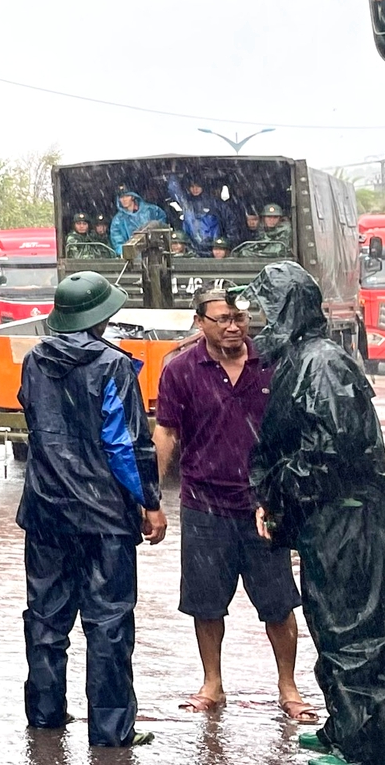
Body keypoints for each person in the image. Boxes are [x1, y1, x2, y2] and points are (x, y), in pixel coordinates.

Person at [248, 262, 385, 765]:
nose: (256, 321)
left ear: (287, 310)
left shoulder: (322, 364)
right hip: (326, 521)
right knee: (330, 622)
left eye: (264, 310)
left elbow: (328, 454)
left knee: (353, 632)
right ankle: (344, 729)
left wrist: (276, 493)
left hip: (347, 521)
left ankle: (363, 750)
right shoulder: (302, 360)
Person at [17, 271, 166, 750]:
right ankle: (110, 732)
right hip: (103, 517)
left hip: (45, 511)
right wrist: (150, 502)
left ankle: (45, 716)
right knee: (109, 623)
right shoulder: (113, 366)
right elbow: (124, 444)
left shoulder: (34, 361)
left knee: (45, 618)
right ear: (101, 317)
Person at [153, 285, 313, 723]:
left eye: (239, 318)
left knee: (279, 604)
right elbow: (166, 432)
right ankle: (213, 683)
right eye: (221, 318)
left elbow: (295, 434)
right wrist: (150, 496)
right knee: (206, 605)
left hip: (263, 508)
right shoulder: (181, 370)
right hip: (203, 506)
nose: (231, 326)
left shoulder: (273, 365)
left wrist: (287, 497)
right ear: (199, 322)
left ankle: (289, 686)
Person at [167, 173, 221, 252]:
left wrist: (215, 244)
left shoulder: (213, 203)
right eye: (192, 186)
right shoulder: (186, 203)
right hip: (191, 247)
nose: (195, 189)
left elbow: (216, 226)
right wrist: (172, 174)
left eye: (198, 186)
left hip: (211, 248)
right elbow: (174, 190)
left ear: (203, 187)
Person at [108, 189, 165, 255]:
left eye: (127, 196)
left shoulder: (151, 210)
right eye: (121, 197)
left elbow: (162, 227)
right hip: (132, 258)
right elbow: (117, 242)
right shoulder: (117, 220)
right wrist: (126, 253)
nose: (124, 199)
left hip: (153, 254)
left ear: (133, 196)